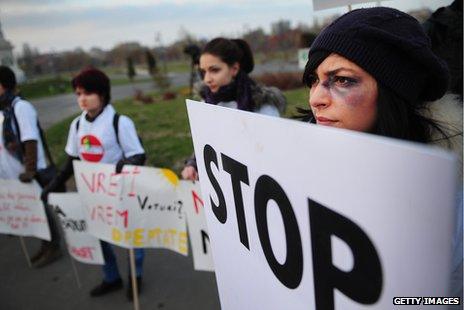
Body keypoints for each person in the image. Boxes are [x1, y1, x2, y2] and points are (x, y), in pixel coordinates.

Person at [301, 7, 462, 303]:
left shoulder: (448, 202)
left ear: (392, 92)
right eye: (314, 79)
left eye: (342, 80)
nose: (315, 98)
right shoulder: (294, 157)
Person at [41, 67, 146, 300]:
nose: (82, 99)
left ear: (102, 94)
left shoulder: (120, 122)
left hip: (120, 192)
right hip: (93, 195)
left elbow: (138, 155)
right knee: (99, 237)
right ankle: (111, 277)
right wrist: (54, 184)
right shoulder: (77, 126)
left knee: (131, 236)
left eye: (87, 93)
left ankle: (136, 275)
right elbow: (72, 159)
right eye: (78, 94)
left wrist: (123, 165)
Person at [182, 37, 287, 180]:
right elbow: (205, 141)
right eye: (203, 71)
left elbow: (275, 157)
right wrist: (193, 163)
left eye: (214, 70)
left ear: (234, 69)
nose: (207, 79)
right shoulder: (207, 102)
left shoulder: (263, 106)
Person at [0, 65, 63, 268]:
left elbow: (30, 140)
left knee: (40, 208)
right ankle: (45, 245)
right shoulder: (5, 110)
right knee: (32, 209)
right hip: (18, 168)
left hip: (31, 168)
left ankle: (53, 246)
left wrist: (30, 170)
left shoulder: (20, 107)